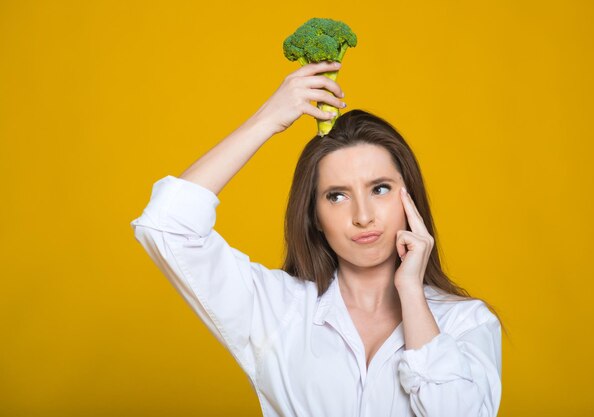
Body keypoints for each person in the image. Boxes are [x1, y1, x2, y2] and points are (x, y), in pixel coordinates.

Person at [130, 61, 503, 417]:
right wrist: (268, 120)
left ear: (411, 197)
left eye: (380, 189)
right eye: (336, 195)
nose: (362, 216)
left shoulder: (467, 324)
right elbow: (167, 224)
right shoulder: (277, 310)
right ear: (315, 217)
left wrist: (410, 291)